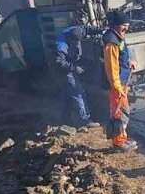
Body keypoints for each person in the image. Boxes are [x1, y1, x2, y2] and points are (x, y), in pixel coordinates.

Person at [103, 10, 138, 150]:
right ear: (116, 25)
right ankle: (119, 142)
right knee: (120, 112)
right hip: (118, 84)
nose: (126, 28)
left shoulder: (118, 37)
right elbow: (111, 67)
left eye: (127, 25)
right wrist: (117, 87)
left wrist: (129, 61)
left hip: (122, 81)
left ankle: (120, 139)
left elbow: (121, 55)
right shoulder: (111, 42)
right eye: (124, 25)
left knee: (121, 111)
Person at [53, 25, 95, 129]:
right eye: (75, 42)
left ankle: (64, 117)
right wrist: (74, 68)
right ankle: (84, 120)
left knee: (67, 93)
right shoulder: (61, 46)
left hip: (72, 61)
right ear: (70, 39)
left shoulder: (77, 30)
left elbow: (87, 29)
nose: (77, 44)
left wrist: (101, 30)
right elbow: (60, 63)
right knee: (77, 92)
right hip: (64, 70)